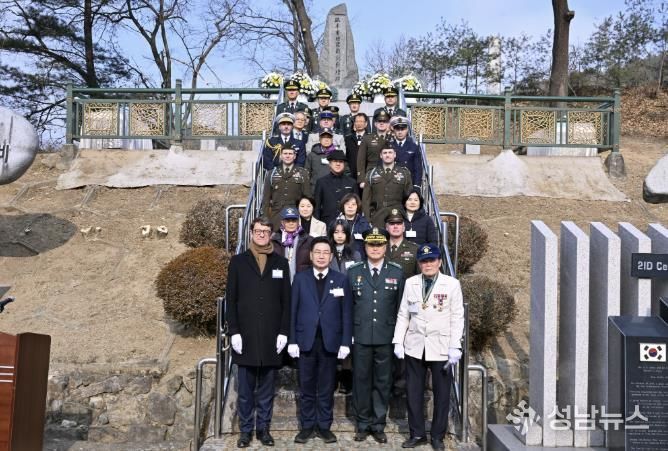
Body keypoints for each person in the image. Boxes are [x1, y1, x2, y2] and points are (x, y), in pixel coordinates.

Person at [226, 216, 291, 448]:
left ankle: (263, 429)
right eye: (258, 230)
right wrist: (234, 331)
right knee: (245, 391)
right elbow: (231, 299)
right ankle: (245, 431)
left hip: (272, 336)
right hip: (246, 335)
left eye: (265, 231)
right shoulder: (238, 262)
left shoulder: (281, 263)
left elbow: (286, 301)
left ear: (271, 234)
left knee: (266, 390)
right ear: (251, 233)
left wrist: (284, 331)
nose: (262, 234)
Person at [392, 243, 464, 451]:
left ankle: (437, 435)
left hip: (441, 346)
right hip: (415, 345)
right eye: (424, 261)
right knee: (413, 392)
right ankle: (417, 433)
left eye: (431, 260)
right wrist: (398, 340)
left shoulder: (452, 284)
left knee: (442, 394)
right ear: (419, 263)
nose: (428, 264)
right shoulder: (411, 282)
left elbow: (457, 317)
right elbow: (403, 314)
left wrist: (455, 346)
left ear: (439, 262)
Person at [288, 237, 353, 444]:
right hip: (305, 341)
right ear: (311, 255)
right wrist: (292, 340)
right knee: (306, 387)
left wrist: (345, 342)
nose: (322, 256)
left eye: (326, 252)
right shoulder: (300, 279)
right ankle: (307, 426)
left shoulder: (341, 279)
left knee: (326, 387)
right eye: (318, 252)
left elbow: (346, 313)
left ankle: (324, 426)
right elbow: (292, 311)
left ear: (331, 256)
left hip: (330, 342)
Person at [347, 228, 405, 444]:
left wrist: (399, 337)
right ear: (365, 247)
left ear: (385, 247)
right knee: (361, 381)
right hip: (361, 335)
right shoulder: (353, 271)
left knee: (383, 382)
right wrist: (349, 334)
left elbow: (400, 308)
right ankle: (362, 424)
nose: (375, 248)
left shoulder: (397, 272)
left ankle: (378, 424)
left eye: (379, 245)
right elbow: (348, 307)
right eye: (371, 245)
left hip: (386, 336)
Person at [327, 218, 360, 395]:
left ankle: (346, 376)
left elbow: (358, 277)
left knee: (348, 338)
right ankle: (332, 375)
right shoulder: (327, 251)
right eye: (336, 232)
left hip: (349, 300)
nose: (339, 236)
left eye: (343, 232)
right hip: (330, 300)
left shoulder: (355, 254)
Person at [362, 147, 413, 227]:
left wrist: (408, 217)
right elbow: (366, 199)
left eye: (390, 152)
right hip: (377, 216)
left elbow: (409, 196)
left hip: (398, 215)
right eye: (385, 153)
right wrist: (367, 219)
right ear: (381, 155)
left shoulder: (404, 173)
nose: (387, 155)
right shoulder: (371, 173)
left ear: (394, 155)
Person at [262, 147, 311, 230]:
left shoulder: (303, 173)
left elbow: (308, 196)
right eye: (285, 153)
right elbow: (266, 199)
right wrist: (265, 218)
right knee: (276, 237)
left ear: (294, 156)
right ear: (281, 156)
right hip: (277, 214)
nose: (288, 156)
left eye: (290, 154)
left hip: (295, 214)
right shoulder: (272, 173)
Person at [314, 149, 358, 226]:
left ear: (344, 164)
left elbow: (357, 205)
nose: (338, 164)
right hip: (326, 222)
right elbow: (316, 206)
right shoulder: (321, 182)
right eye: (335, 161)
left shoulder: (352, 182)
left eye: (341, 161)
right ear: (329, 164)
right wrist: (317, 224)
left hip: (348, 223)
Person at [270, 207, 313, 281]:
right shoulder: (274, 241)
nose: (291, 223)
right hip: (279, 282)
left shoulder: (309, 240)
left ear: (298, 221)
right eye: (287, 220)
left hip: (302, 282)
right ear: (282, 222)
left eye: (294, 220)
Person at [357, 110, 391, 187]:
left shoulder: (393, 139)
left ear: (388, 124)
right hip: (372, 174)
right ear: (375, 124)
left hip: (390, 176)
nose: (382, 123)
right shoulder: (367, 139)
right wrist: (361, 179)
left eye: (384, 121)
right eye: (379, 121)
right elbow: (361, 160)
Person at [305, 128, 345, 194]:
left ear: (332, 139)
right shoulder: (312, 155)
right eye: (324, 137)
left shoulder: (338, 154)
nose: (326, 140)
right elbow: (307, 173)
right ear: (320, 139)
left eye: (329, 137)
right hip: (315, 189)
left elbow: (345, 171)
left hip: (334, 189)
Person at [385, 208, 419, 279]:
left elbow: (420, 276)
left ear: (403, 228)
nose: (395, 226)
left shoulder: (415, 249)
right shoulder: (379, 248)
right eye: (392, 223)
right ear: (387, 228)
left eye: (399, 223)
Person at [390, 116, 422, 189]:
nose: (400, 132)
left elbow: (418, 168)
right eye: (397, 129)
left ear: (407, 130)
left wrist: (417, 186)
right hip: (392, 183)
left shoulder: (414, 147)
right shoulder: (389, 146)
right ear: (393, 130)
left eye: (402, 129)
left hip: (409, 183)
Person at [336, 193, 371, 257]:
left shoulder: (364, 224)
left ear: (357, 206)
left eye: (353, 204)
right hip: (340, 258)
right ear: (343, 206)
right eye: (347, 204)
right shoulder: (336, 223)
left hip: (360, 258)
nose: (350, 207)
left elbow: (369, 245)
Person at [344, 112, 369, 185]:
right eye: (357, 121)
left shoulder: (370, 138)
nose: (359, 124)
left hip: (366, 175)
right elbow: (346, 157)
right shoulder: (348, 139)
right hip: (351, 175)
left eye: (361, 121)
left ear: (366, 124)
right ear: (354, 123)